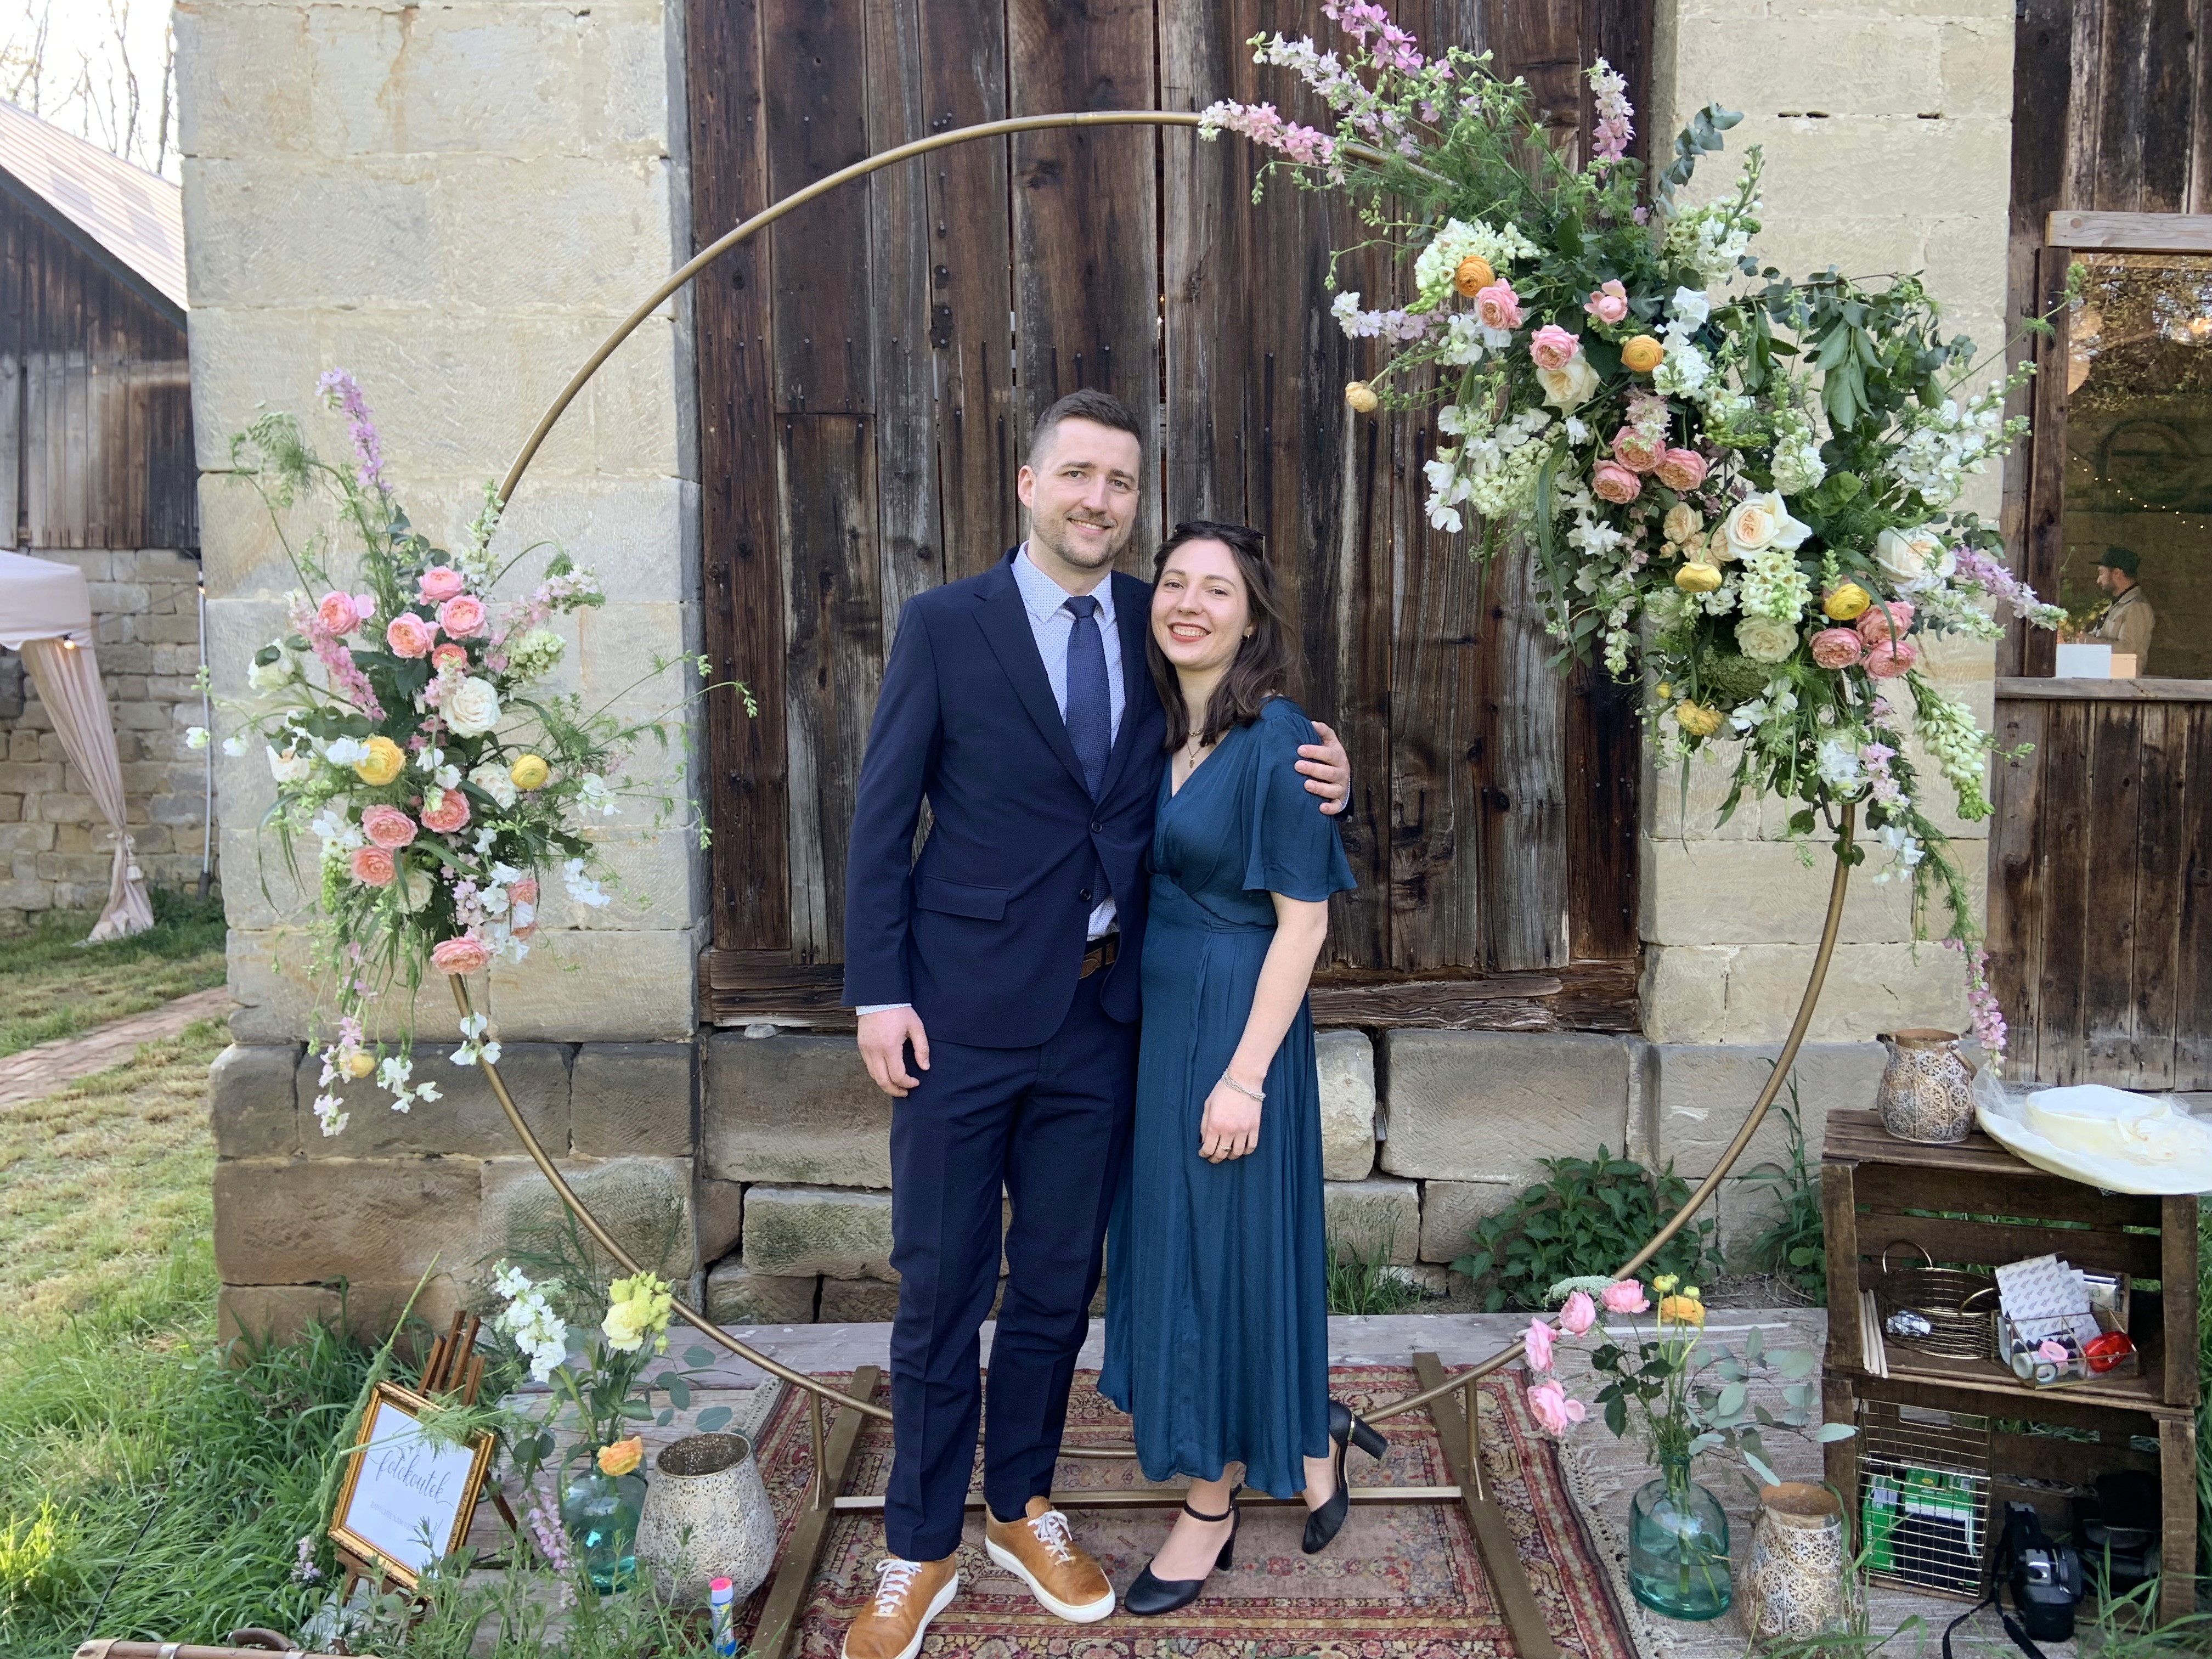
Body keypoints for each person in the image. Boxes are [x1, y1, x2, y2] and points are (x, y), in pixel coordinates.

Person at [838, 390, 1350, 1659]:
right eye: (1077, 474)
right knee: (943, 1285)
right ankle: (920, 1546)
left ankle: (1020, 1505)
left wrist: (1327, 769)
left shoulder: (1152, 619)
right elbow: (882, 819)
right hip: (957, 1016)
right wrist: (878, 990)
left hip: (1101, 1017)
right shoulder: (946, 625)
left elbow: (1243, 735)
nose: (1098, 500)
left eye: (1120, 482)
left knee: (1059, 1285)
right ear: (1029, 484)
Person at [1099, 522, 1383, 1617]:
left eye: (1217, 590)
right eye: (1174, 583)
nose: (1190, 604)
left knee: (1216, 1257)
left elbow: (1304, 926)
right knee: (1182, 1245)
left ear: (1252, 616)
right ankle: (1306, 1429)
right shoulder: (1152, 726)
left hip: (1234, 1028)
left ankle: (1208, 1505)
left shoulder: (1281, 740)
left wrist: (1245, 1077)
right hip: (1160, 1021)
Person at [2092, 545, 2155, 672]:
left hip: (2120, 680)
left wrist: (2085, 640)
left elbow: (2127, 649)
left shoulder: (2137, 606)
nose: (2098, 581)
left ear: (2117, 573)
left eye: (2102, 573)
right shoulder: (2119, 604)